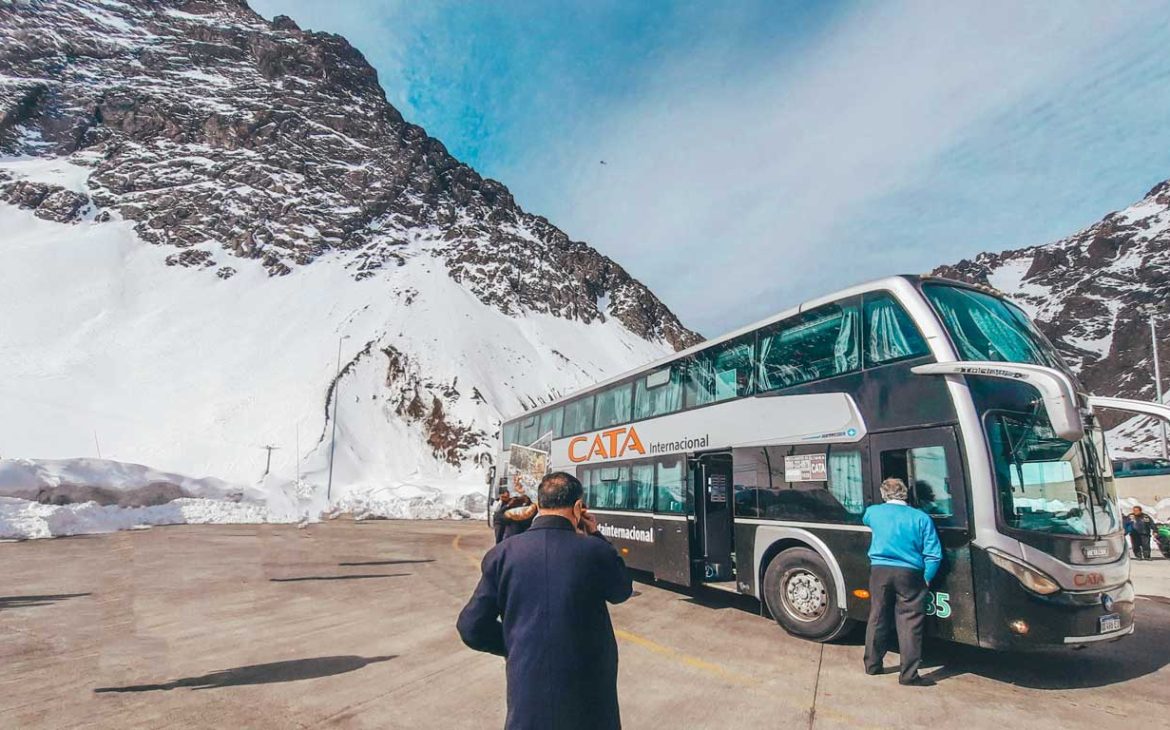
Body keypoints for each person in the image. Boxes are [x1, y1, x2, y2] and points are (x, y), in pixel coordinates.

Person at [457, 471, 633, 730]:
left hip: (529, 696)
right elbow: (621, 591)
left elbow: (471, 627)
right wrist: (595, 533)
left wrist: (514, 642)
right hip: (588, 697)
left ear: (539, 505)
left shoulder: (503, 554)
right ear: (577, 507)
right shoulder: (594, 551)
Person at [862, 477, 943, 686]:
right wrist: (927, 578)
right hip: (910, 573)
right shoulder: (921, 518)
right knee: (910, 623)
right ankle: (908, 675)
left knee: (877, 616)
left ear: (883, 494)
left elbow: (866, 520)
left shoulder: (874, 512)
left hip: (879, 571)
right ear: (905, 494)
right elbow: (934, 554)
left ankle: (872, 665)